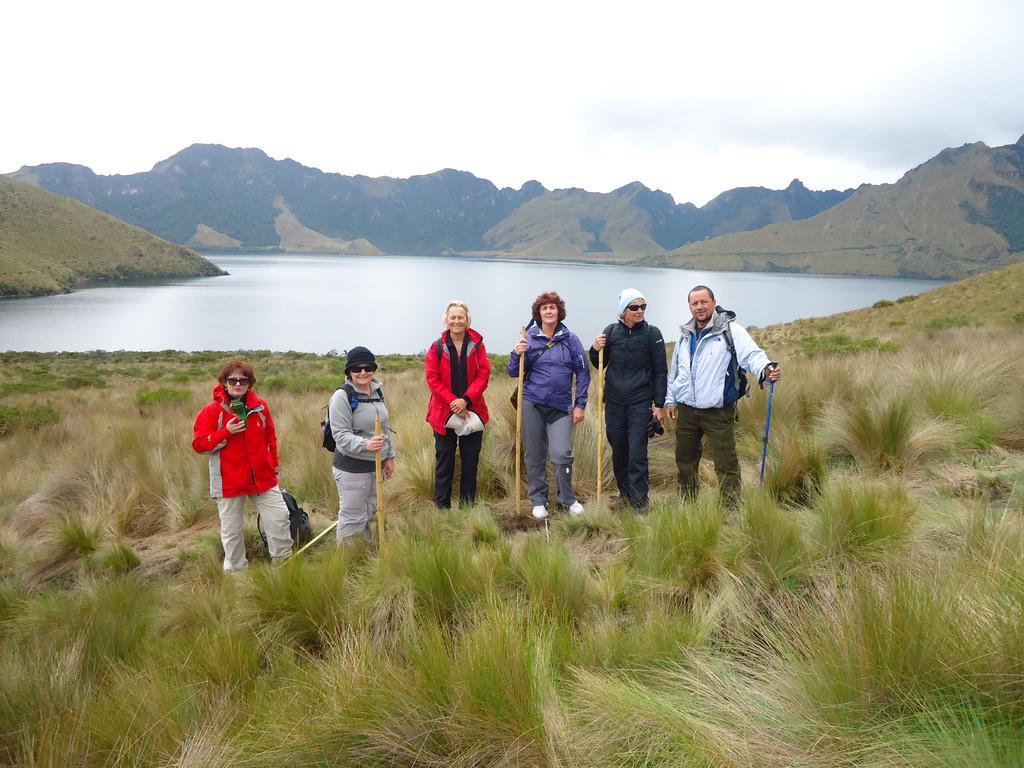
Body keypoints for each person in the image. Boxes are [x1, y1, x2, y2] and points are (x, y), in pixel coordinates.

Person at [665, 285, 781, 504]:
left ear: (713, 302)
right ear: (689, 306)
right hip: (687, 410)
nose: (699, 307)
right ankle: (687, 502)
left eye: (703, 302)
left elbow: (752, 355)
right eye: (694, 303)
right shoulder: (684, 335)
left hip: (718, 411)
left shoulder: (730, 331)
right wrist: (671, 399)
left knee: (725, 461)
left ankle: (730, 508)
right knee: (685, 460)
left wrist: (766, 370)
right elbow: (676, 371)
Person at [192, 358, 292, 572]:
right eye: (233, 380)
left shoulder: (259, 407)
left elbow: (270, 438)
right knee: (232, 532)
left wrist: (274, 466)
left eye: (243, 380)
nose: (238, 384)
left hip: (262, 479)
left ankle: (284, 567)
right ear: (224, 383)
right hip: (229, 482)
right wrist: (226, 431)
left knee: (279, 518)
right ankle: (237, 575)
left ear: (250, 383)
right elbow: (199, 444)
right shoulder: (211, 411)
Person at [508, 291, 590, 520]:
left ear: (559, 312)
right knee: (533, 454)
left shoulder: (571, 339)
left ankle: (567, 499)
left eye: (552, 308)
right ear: (538, 313)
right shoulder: (528, 338)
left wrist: (580, 404)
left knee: (561, 453)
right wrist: (516, 354)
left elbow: (583, 372)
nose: (549, 311)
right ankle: (538, 500)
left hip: (561, 406)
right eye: (544, 308)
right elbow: (513, 371)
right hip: (532, 403)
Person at [590, 288, 667, 512]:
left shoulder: (653, 334)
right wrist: (594, 350)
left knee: (637, 453)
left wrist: (659, 404)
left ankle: (640, 503)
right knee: (619, 450)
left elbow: (661, 371)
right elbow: (599, 364)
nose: (639, 311)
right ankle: (624, 494)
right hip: (614, 403)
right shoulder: (611, 332)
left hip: (640, 403)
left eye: (643, 307)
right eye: (634, 307)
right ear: (623, 310)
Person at [425, 300, 491, 508]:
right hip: (444, 414)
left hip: (472, 410)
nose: (456, 321)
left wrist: (466, 401)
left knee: (470, 462)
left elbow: (484, 374)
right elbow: (432, 379)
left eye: (460, 317)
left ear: (467, 319)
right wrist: (454, 403)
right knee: (445, 462)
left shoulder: (477, 344)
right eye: (452, 317)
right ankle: (442, 507)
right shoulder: (436, 347)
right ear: (446, 320)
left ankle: (467, 507)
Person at [328, 346, 396, 545]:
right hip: (352, 468)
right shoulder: (342, 396)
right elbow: (340, 435)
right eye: (357, 368)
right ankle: (349, 562)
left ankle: (364, 553)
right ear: (349, 371)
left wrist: (389, 456)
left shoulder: (377, 392)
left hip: (377, 466)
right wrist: (366, 445)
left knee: (369, 511)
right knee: (352, 517)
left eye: (368, 367)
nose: (363, 372)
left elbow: (385, 428)